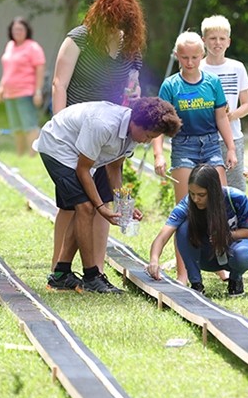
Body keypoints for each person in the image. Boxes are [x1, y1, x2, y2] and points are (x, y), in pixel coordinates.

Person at [34, 97, 181, 294]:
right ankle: (91, 276)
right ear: (136, 122)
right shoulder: (104, 125)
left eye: (151, 138)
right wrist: (101, 207)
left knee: (84, 209)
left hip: (78, 155)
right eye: (147, 135)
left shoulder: (132, 133)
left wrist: (124, 205)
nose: (146, 141)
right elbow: (83, 169)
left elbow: (114, 167)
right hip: (57, 146)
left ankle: (61, 274)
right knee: (86, 208)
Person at [50, 0, 146, 275]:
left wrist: (135, 93)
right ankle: (58, 268)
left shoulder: (131, 49)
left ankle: (97, 269)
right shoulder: (78, 38)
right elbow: (59, 84)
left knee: (104, 202)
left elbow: (135, 85)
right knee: (72, 204)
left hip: (110, 134)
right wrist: (58, 123)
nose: (118, 28)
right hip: (75, 132)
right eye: (114, 21)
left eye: (124, 24)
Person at [153, 31, 237, 283]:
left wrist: (230, 148)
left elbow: (221, 116)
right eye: (184, 58)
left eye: (194, 57)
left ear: (202, 55)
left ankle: (220, 263)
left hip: (211, 144)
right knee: (186, 211)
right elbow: (159, 122)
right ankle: (184, 271)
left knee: (219, 206)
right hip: (184, 146)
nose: (190, 63)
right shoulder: (170, 85)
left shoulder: (212, 83)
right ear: (177, 56)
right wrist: (159, 155)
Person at [147, 164, 248, 296]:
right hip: (205, 256)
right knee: (182, 228)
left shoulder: (236, 198)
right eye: (192, 193)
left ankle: (235, 279)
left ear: (214, 190)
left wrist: (226, 236)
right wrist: (154, 260)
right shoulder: (187, 203)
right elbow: (163, 236)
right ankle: (196, 283)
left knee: (244, 254)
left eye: (201, 195)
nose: (195, 199)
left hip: (231, 252)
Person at [200, 15, 248, 191]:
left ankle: (237, 219)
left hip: (233, 137)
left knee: (235, 187)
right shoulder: (197, 68)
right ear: (203, 40)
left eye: (222, 39)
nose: (217, 43)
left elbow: (246, 105)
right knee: (207, 186)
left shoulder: (237, 67)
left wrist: (231, 115)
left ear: (229, 42)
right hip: (205, 137)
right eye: (212, 38)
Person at [0, 17, 45, 156]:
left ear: (27, 31)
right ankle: (20, 154)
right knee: (16, 127)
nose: (17, 32)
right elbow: (7, 69)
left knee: (29, 125)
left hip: (26, 92)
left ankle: (32, 154)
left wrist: (38, 91)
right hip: (10, 93)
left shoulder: (33, 47)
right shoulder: (10, 45)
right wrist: (1, 86)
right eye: (15, 29)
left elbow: (40, 70)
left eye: (20, 29)